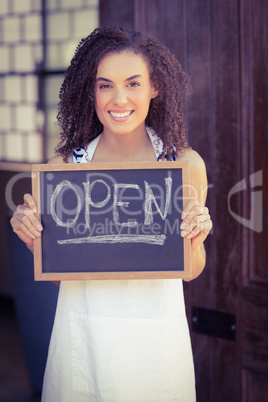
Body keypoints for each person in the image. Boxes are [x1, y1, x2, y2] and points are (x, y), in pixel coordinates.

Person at [10, 26, 212, 402]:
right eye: (105, 85)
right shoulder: (65, 170)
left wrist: (196, 239)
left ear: (155, 87)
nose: (118, 98)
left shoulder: (183, 165)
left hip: (156, 343)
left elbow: (190, 269)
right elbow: (61, 275)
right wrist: (35, 241)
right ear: (91, 91)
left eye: (133, 84)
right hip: (83, 340)